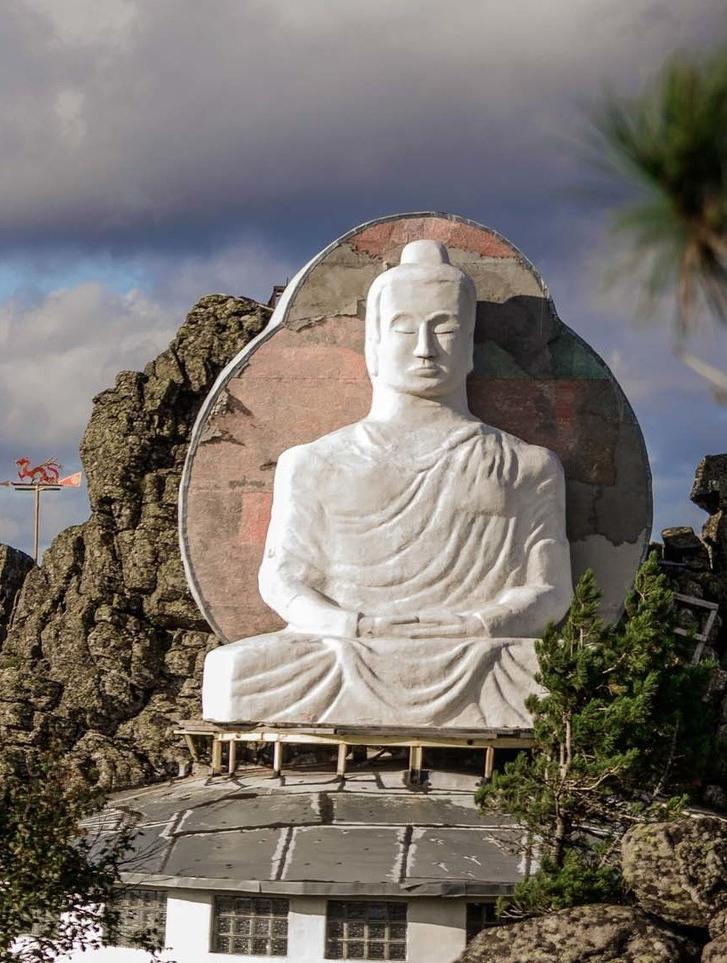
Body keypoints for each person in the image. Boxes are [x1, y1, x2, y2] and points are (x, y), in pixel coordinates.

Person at [201, 240, 571, 730]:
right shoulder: (314, 462)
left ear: (470, 348)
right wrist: (352, 625)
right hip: (344, 649)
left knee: (555, 673)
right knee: (239, 672)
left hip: (478, 652)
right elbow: (282, 580)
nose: (425, 347)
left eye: (445, 329)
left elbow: (550, 590)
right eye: (405, 329)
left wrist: (477, 624)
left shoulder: (527, 465)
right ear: (373, 345)